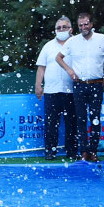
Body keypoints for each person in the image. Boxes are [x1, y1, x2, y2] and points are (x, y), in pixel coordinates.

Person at [56, 12, 104, 162]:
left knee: (95, 118)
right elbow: (58, 57)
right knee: (81, 119)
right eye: (81, 25)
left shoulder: (102, 38)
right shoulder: (72, 41)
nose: (84, 27)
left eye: (86, 24)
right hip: (79, 85)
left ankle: (93, 151)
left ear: (92, 24)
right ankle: (84, 151)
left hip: (96, 84)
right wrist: (69, 70)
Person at [35, 16, 78, 160]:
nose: (61, 30)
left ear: (71, 29)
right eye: (58, 28)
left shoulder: (77, 44)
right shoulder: (48, 46)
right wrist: (38, 85)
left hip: (71, 91)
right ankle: (50, 151)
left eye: (64, 27)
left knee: (72, 123)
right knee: (51, 124)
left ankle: (72, 151)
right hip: (51, 91)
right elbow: (41, 68)